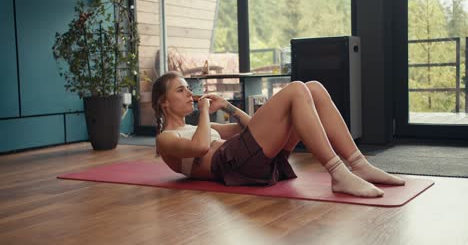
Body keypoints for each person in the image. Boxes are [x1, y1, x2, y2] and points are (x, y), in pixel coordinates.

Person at [152, 71, 405, 198]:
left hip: (251, 157)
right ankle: (339, 174)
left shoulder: (199, 129)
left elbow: (250, 129)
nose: (189, 94)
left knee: (313, 89)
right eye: (180, 91)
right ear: (164, 103)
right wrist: (205, 111)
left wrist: (227, 107)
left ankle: (358, 164)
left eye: (188, 89)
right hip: (236, 165)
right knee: (296, 90)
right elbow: (198, 149)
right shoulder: (166, 139)